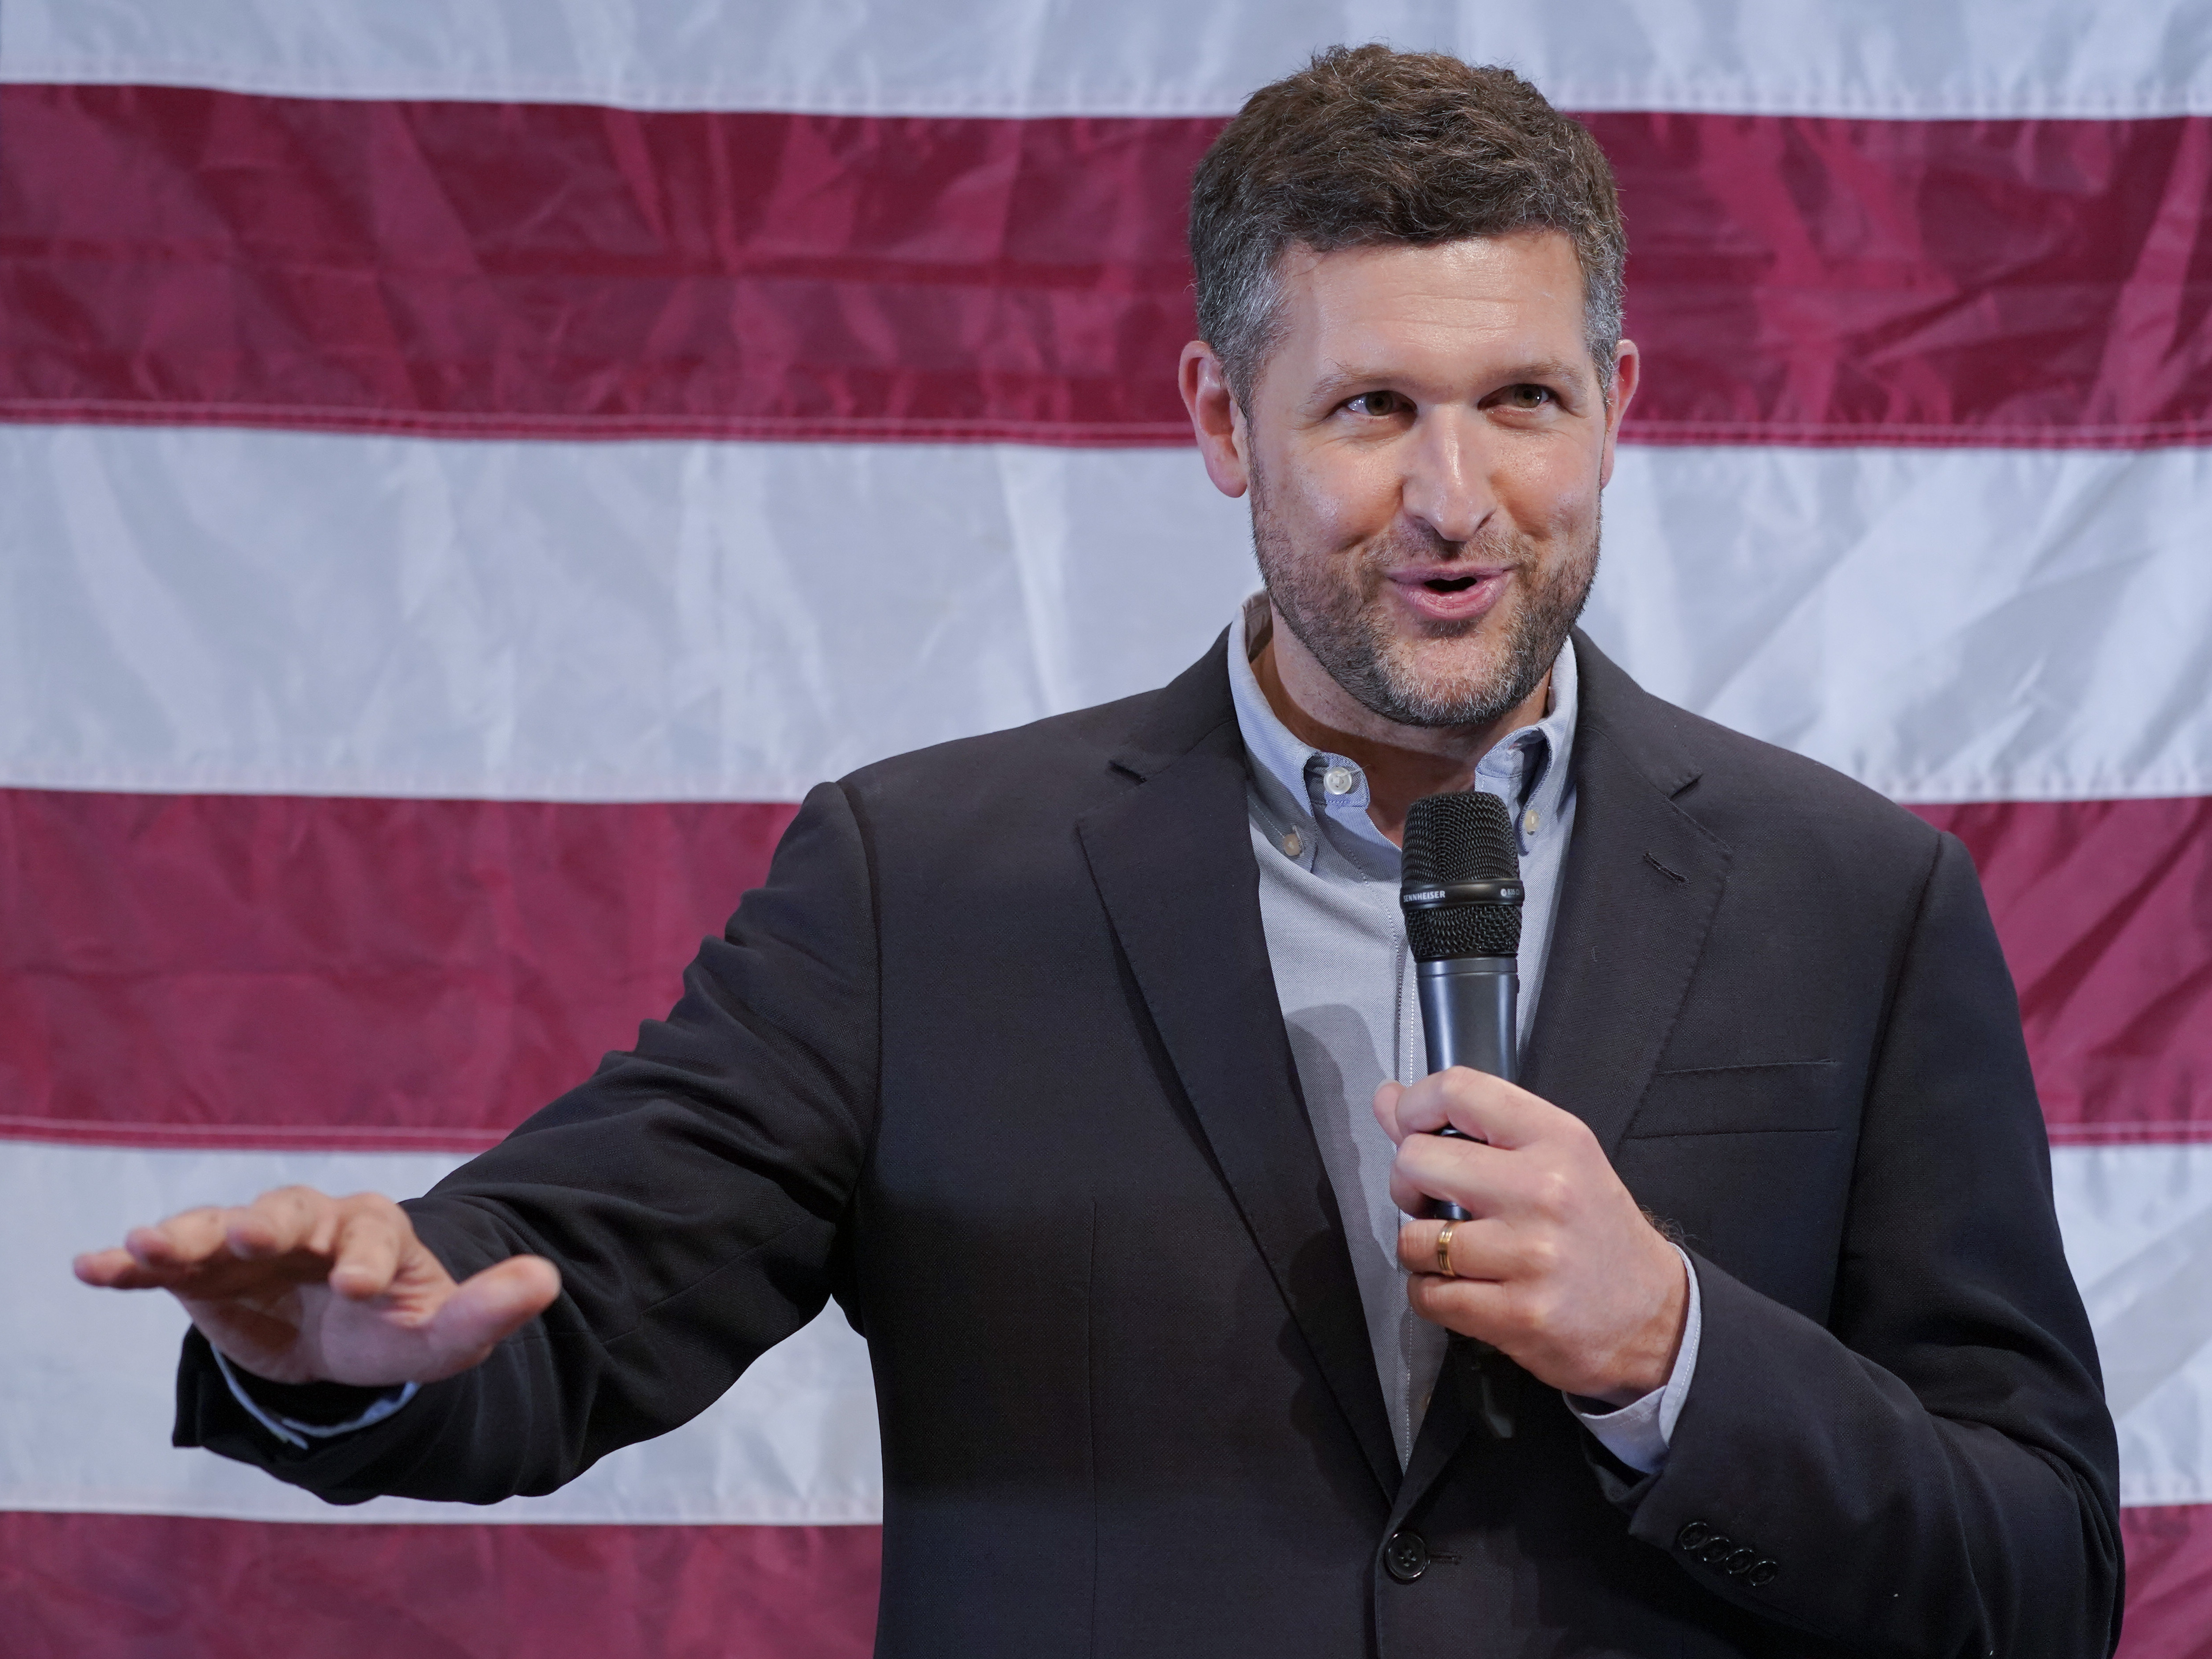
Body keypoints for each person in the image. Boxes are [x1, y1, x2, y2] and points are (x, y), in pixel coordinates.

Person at [76, 46, 2121, 1656]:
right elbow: (567, 1297)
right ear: (1223, 424)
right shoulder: (923, 882)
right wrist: (346, 1356)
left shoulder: (1856, 899)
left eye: (1519, 399)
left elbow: (2036, 1575)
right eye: (1365, 409)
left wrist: (1673, 1349)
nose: (1452, 497)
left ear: (1614, 405)